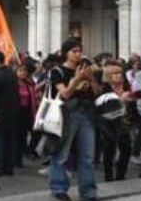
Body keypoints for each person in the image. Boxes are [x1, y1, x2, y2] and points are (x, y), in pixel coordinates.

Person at [47, 39, 99, 201]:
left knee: (87, 156)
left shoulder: (87, 70)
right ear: (66, 53)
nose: (78, 54)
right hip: (67, 114)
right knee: (61, 153)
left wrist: (90, 78)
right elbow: (65, 94)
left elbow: (97, 92)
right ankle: (59, 188)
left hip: (87, 114)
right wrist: (77, 79)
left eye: (79, 51)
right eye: (74, 51)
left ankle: (89, 191)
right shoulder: (58, 71)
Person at [98, 61, 134, 181]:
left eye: (120, 73)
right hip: (109, 123)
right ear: (108, 76)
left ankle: (121, 174)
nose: (119, 75)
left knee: (126, 149)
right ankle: (108, 175)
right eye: (115, 74)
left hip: (125, 122)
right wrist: (121, 100)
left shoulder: (127, 87)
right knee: (109, 149)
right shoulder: (104, 90)